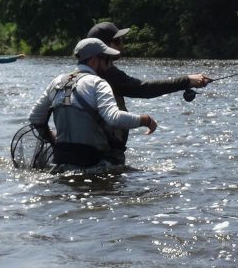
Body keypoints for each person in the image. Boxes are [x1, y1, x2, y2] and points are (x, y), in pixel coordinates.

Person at [86, 21, 210, 163]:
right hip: (104, 154)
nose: (122, 44)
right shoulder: (107, 73)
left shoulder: (82, 74)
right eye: (117, 40)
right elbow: (143, 89)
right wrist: (186, 81)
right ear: (103, 46)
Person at [28, 37, 157, 170]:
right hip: (91, 161)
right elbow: (114, 118)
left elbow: (34, 118)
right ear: (94, 60)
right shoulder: (98, 83)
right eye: (107, 59)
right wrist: (146, 120)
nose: (109, 64)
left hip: (61, 159)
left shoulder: (57, 81)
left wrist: (52, 137)